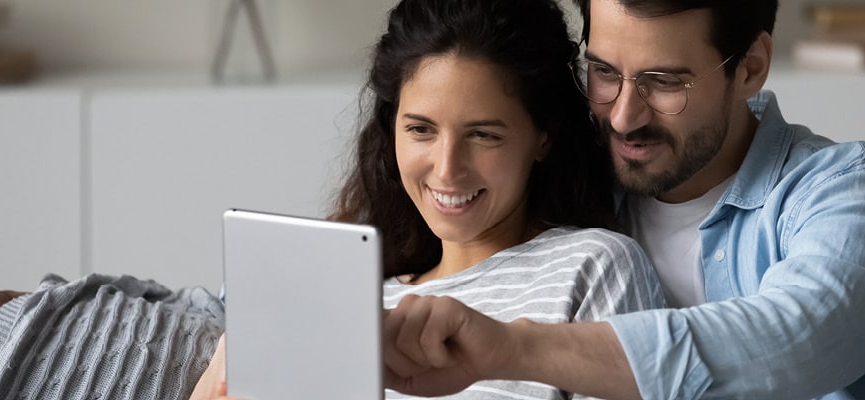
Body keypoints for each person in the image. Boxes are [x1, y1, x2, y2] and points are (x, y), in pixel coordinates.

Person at [382, 0, 865, 399]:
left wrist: (510, 348)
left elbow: (787, 343)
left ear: (751, 68)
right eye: (604, 71)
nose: (623, 115)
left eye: (665, 82)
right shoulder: (580, 194)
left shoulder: (854, 195)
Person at [193, 0, 667, 398]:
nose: (446, 169)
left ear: (543, 136)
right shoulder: (360, 301)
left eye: (482, 135)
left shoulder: (592, 268)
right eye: (421, 129)